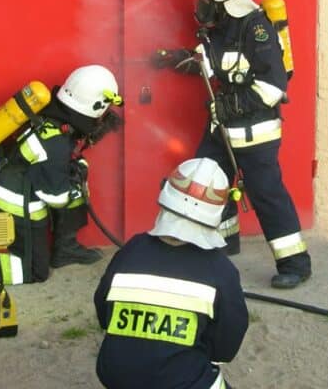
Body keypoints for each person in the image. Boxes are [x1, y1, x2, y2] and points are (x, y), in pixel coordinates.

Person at [153, 0, 311, 289]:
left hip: (255, 133)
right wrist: (178, 60)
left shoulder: (255, 28)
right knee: (206, 182)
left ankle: (295, 263)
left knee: (267, 194)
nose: (200, 5)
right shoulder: (219, 28)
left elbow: (273, 86)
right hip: (221, 129)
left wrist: (231, 107)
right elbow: (217, 67)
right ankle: (225, 243)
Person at [0, 64, 123, 292]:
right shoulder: (55, 145)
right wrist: (78, 182)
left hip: (17, 176)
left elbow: (61, 149)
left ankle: (65, 248)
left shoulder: (52, 109)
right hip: (14, 198)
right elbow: (57, 197)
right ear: (96, 105)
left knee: (76, 176)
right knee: (34, 270)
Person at [94, 157, 249, 389]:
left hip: (114, 375)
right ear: (219, 211)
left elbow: (103, 309)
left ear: (166, 194)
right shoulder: (221, 270)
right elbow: (229, 336)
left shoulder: (131, 250)